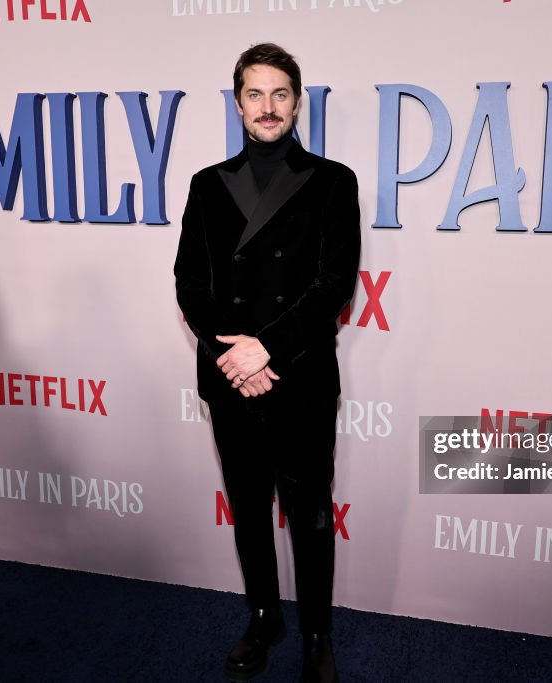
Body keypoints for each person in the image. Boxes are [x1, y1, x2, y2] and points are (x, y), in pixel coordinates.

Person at [174, 43, 360, 682]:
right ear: (238, 103)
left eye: (280, 93)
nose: (268, 106)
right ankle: (262, 617)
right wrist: (236, 357)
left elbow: (333, 283)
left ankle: (315, 635)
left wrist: (266, 348)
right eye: (255, 94)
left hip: (299, 378)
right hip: (231, 381)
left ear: (298, 101)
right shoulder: (206, 185)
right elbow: (189, 284)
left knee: (309, 519)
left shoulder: (334, 182)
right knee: (249, 511)